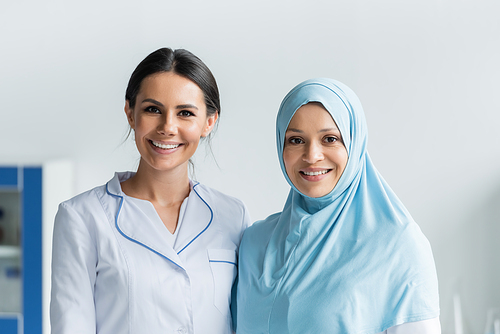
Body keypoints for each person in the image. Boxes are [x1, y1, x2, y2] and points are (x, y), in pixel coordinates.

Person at [50, 48, 250, 334]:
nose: (168, 127)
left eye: (185, 113)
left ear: (209, 122)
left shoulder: (232, 215)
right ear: (130, 113)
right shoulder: (82, 217)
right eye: (153, 110)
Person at [234, 78, 440, 333]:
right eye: (296, 140)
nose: (312, 156)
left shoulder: (397, 246)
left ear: (354, 144)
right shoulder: (255, 242)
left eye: (330, 139)